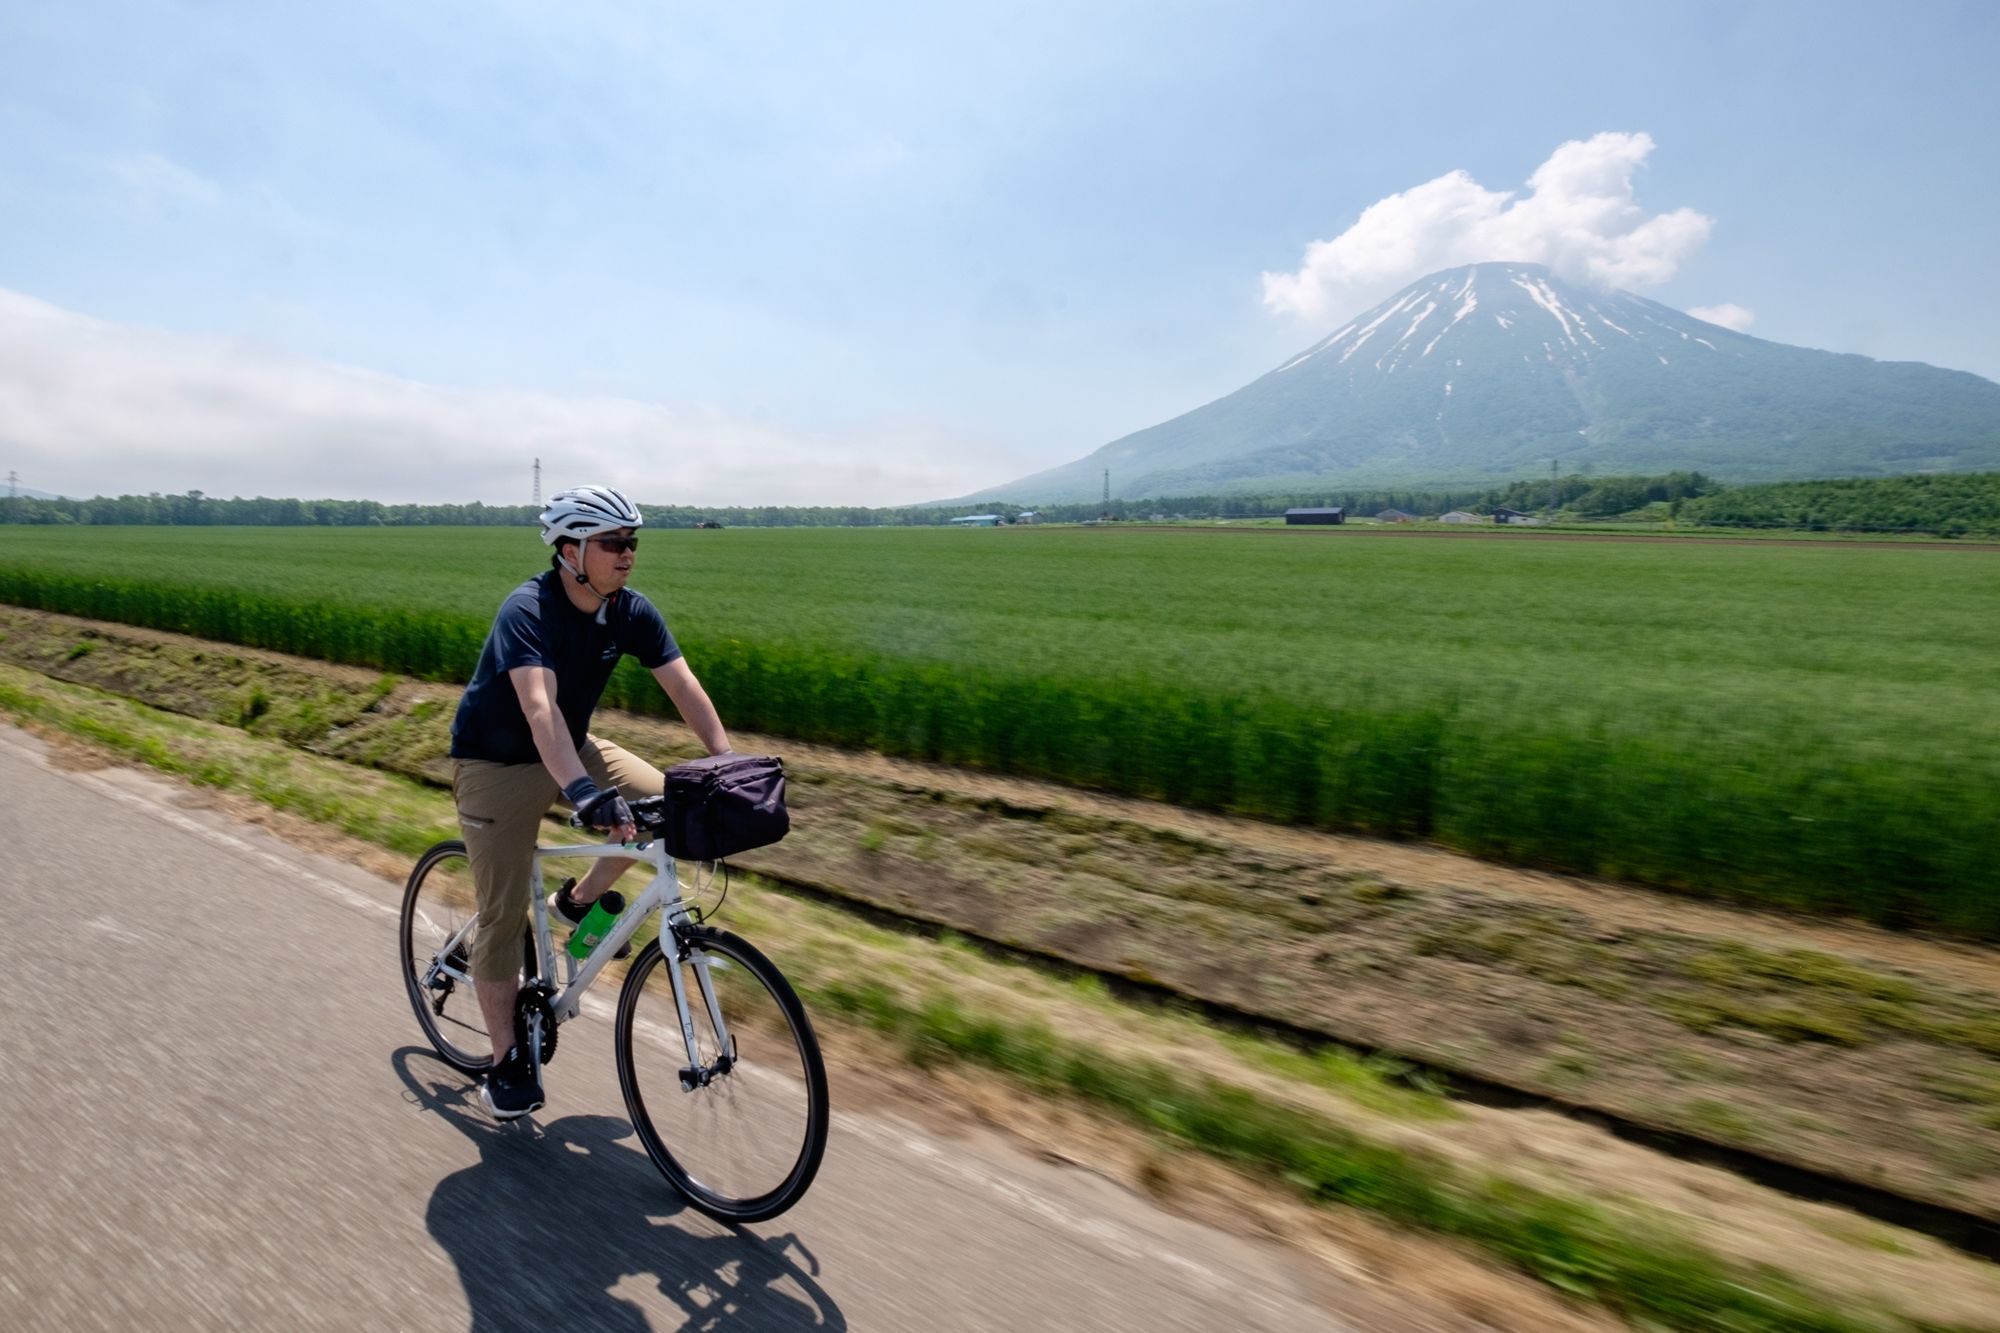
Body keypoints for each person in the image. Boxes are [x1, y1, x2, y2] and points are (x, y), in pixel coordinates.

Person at [448, 485, 732, 1119]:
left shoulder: (629, 611)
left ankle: (575, 904)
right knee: (500, 917)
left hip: (572, 750)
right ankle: (506, 1061)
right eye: (613, 543)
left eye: (633, 542)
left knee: (667, 801)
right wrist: (583, 793)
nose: (628, 554)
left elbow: (682, 685)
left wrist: (726, 762)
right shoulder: (529, 609)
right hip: (496, 764)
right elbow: (539, 708)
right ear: (570, 550)